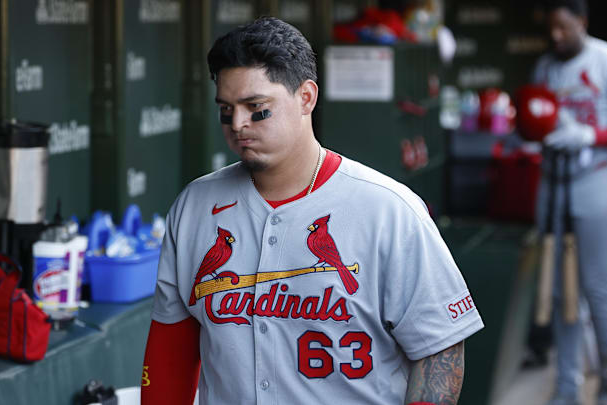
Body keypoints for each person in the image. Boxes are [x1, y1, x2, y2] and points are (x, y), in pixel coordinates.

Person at [140, 17, 483, 405]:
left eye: (257, 108)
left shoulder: (390, 211)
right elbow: (171, 349)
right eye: (226, 109)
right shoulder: (195, 208)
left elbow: (440, 349)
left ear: (306, 97)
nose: (238, 124)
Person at [531, 1, 607, 404]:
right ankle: (568, 387)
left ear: (581, 22)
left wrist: (592, 135)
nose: (556, 36)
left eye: (564, 27)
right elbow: (535, 118)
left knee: (597, 284)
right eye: (552, 29)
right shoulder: (545, 67)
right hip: (555, 178)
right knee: (562, 290)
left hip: (598, 175)